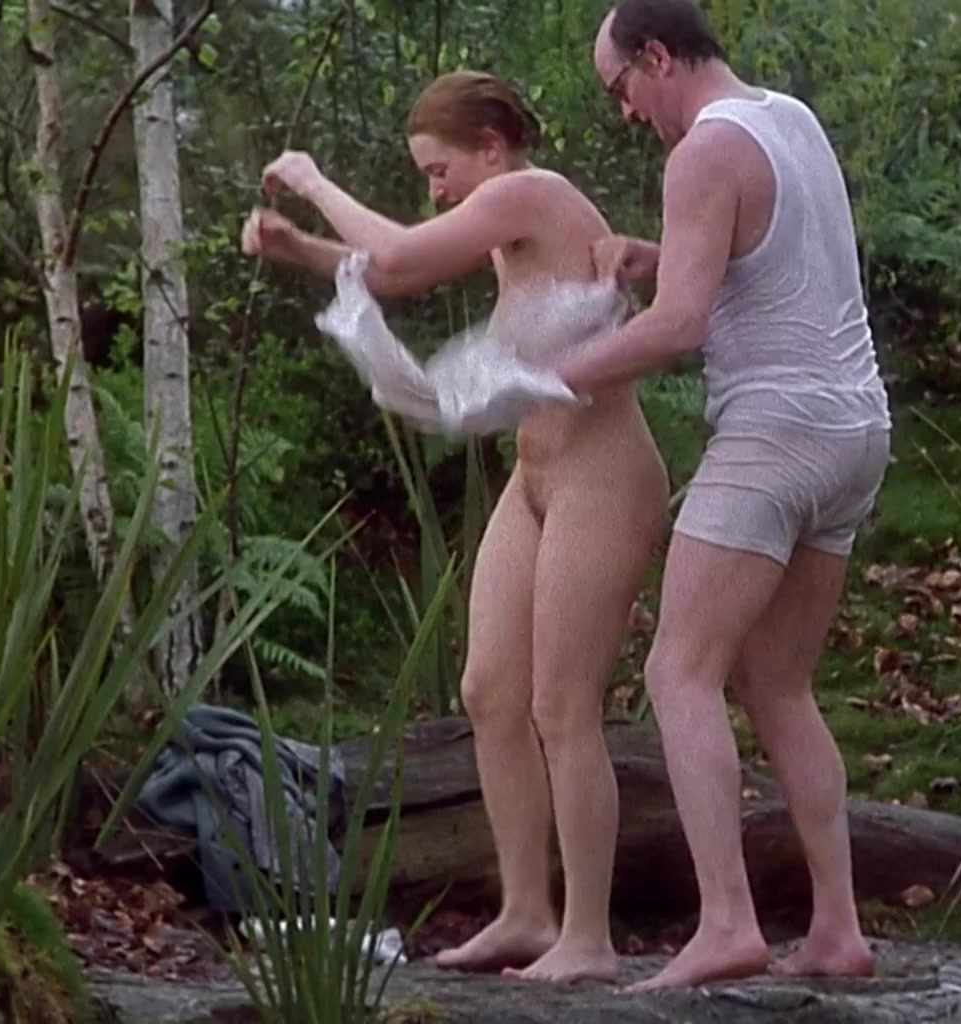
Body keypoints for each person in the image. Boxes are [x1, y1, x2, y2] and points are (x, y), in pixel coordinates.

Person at [240, 70, 670, 984]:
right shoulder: (510, 222)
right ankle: (525, 911)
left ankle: (588, 936)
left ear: (490, 147)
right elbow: (399, 265)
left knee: (562, 705)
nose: (436, 192)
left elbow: (399, 257)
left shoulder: (531, 192)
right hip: (536, 473)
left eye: (440, 172)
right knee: (488, 690)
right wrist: (301, 248)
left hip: (602, 476)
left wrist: (311, 182)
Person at [550, 0, 894, 992]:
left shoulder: (701, 151)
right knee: (779, 683)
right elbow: (762, 265)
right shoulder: (790, 119)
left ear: (658, 57)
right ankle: (837, 930)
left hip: (775, 435)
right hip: (856, 431)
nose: (624, 111)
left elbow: (678, 327)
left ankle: (728, 923)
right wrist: (657, 260)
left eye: (621, 87)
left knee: (679, 670)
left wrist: (551, 375)